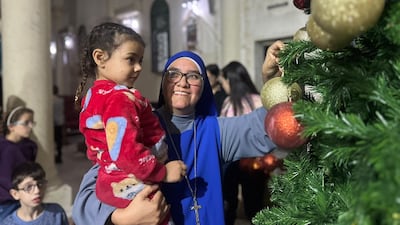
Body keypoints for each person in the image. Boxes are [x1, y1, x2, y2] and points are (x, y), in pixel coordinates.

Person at [72, 41, 285, 225]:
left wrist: (272, 82)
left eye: (193, 76)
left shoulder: (217, 131)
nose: (182, 82)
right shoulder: (137, 126)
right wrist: (122, 218)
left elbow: (269, 126)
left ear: (204, 87)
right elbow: (86, 198)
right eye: (173, 74)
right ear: (163, 83)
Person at [73, 22, 186, 224]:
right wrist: (164, 171)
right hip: (133, 182)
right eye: (130, 59)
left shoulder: (93, 96)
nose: (138, 67)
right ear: (100, 58)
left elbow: (96, 149)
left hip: (111, 181)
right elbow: (125, 151)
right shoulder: (119, 99)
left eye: (140, 60)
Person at [218, 61, 271, 225]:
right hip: (256, 161)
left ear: (230, 80)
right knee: (255, 207)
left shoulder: (228, 103)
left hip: (232, 161)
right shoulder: (260, 100)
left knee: (229, 204)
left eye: (223, 82)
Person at [0, 106, 38, 221]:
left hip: (24, 198)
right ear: (11, 126)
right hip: (4, 201)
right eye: (26, 123)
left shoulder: (30, 146)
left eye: (32, 122)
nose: (30, 127)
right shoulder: (2, 146)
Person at [2, 161, 69, 225]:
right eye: (29, 187)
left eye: (40, 184)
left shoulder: (56, 213)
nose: (37, 191)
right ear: (15, 194)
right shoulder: (8, 223)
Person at [53, 85, 65, 164]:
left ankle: (54, 156)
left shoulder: (50, 100)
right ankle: (59, 156)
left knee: (53, 140)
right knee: (59, 140)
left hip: (53, 122)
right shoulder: (60, 100)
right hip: (60, 121)